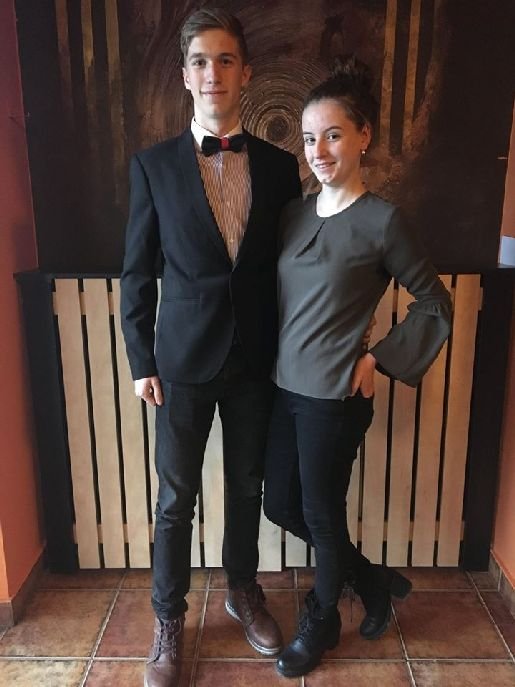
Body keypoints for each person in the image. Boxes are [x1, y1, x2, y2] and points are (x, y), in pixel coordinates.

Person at [120, 8, 301, 687]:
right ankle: (168, 618)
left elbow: (291, 267)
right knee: (175, 498)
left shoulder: (281, 169)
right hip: (181, 363)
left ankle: (242, 590)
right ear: (184, 75)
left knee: (247, 486)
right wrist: (140, 360)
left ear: (245, 72)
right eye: (200, 60)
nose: (213, 72)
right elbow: (137, 273)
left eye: (225, 59)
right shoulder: (152, 168)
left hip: (256, 359)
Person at [263, 55, 452, 678]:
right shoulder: (292, 214)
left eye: (333, 135)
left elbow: (434, 303)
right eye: (309, 138)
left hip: (335, 397)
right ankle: (371, 581)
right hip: (283, 388)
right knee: (280, 505)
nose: (318, 151)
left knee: (321, 514)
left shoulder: (384, 222)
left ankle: (322, 620)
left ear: (363, 136)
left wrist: (377, 357)